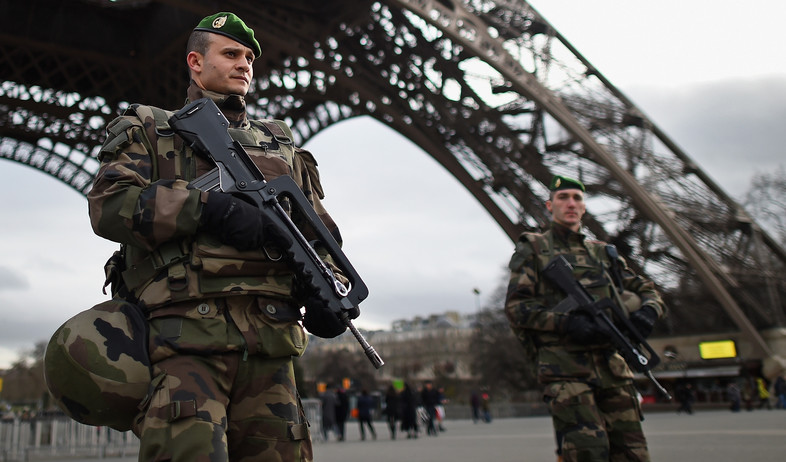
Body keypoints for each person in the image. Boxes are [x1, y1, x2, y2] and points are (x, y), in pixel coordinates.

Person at [86, 12, 356, 462]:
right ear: (195, 61)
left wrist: (327, 289)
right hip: (185, 342)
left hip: (271, 344)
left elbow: (318, 232)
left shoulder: (280, 146)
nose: (244, 64)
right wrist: (208, 208)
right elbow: (110, 207)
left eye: (249, 57)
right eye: (230, 53)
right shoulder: (148, 129)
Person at [505, 175, 666, 462]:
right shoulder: (535, 250)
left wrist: (647, 313)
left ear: (584, 207)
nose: (571, 203)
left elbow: (647, 291)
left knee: (634, 454)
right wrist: (567, 323)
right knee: (587, 453)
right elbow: (517, 308)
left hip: (613, 369)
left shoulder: (604, 253)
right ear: (549, 205)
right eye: (563, 197)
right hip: (567, 371)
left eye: (577, 198)